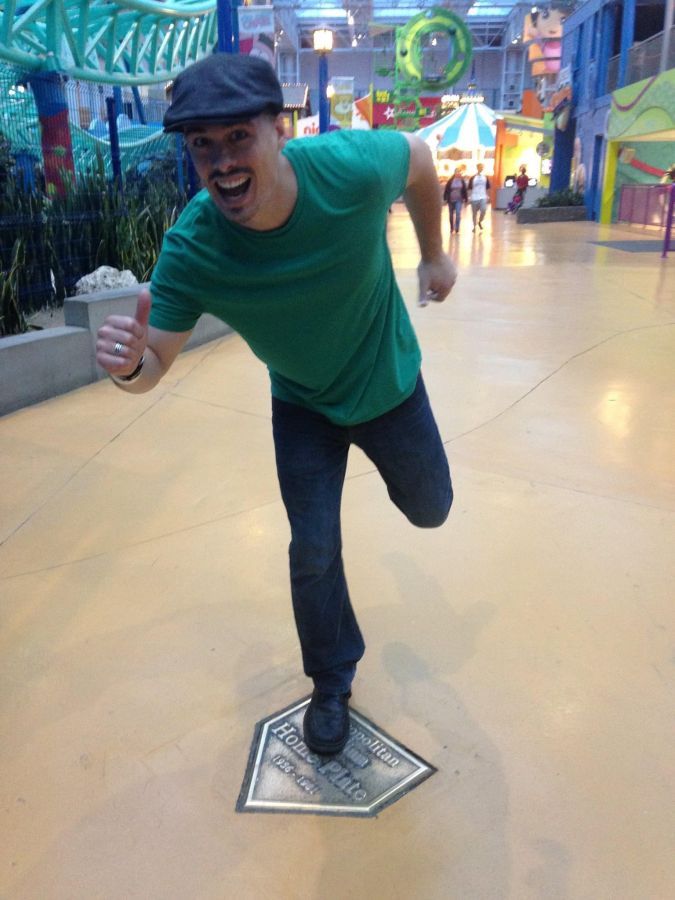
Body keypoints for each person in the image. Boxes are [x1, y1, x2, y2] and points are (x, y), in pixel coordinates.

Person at [95, 53, 456, 757]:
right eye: (203, 145)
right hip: (302, 403)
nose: (222, 162)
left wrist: (434, 254)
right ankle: (331, 680)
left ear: (279, 131)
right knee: (312, 546)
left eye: (238, 137)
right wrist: (128, 365)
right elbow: (151, 367)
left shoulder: (348, 170)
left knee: (431, 508)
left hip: (387, 383)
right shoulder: (195, 246)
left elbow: (418, 157)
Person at [443, 167, 468, 233]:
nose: (458, 173)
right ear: (454, 173)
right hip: (451, 200)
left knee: (458, 213)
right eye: (457, 172)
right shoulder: (450, 181)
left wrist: (466, 199)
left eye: (459, 172)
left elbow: (464, 190)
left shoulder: (462, 181)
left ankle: (457, 227)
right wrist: (445, 198)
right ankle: (452, 227)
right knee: (451, 215)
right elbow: (446, 190)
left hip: (459, 200)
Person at [468, 163, 491, 232]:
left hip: (483, 196)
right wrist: (469, 197)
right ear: (477, 168)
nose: (481, 168)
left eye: (482, 167)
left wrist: (488, 196)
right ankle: (474, 226)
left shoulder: (485, 177)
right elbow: (469, 188)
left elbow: (488, 187)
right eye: (480, 167)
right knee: (474, 213)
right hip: (474, 197)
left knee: (483, 210)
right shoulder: (473, 178)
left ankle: (480, 221)